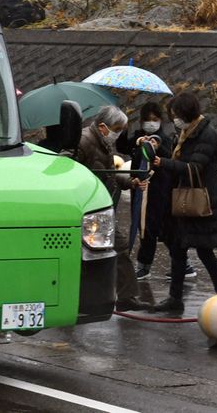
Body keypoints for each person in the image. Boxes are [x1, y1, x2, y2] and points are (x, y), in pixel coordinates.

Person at [151, 92, 217, 312]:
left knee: (205, 252)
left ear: (187, 113)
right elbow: (180, 161)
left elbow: (194, 168)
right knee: (177, 248)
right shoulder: (186, 133)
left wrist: (163, 163)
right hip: (184, 200)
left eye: (176, 114)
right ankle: (175, 299)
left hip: (202, 202)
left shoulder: (206, 135)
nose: (174, 119)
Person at [77, 105, 148, 312]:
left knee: (117, 248)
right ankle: (84, 298)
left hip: (99, 208)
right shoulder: (84, 142)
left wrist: (129, 182)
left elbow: (105, 173)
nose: (118, 134)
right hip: (87, 210)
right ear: (103, 126)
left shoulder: (101, 142)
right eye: (117, 129)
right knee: (93, 253)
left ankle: (125, 296)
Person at [116, 102, 196, 281]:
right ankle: (184, 265)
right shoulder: (138, 137)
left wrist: (155, 147)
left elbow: (170, 158)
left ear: (161, 121)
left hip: (159, 191)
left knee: (150, 228)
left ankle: (144, 266)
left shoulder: (164, 140)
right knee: (156, 229)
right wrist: (125, 130)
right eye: (147, 120)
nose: (151, 123)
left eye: (155, 120)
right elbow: (122, 148)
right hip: (139, 188)